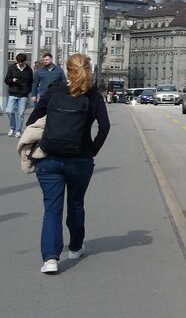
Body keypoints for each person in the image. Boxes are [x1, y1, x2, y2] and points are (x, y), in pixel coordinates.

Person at [28, 53, 110, 275]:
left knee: (51, 209)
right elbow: (105, 127)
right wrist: (91, 150)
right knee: (75, 204)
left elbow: (32, 121)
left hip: (49, 158)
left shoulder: (53, 91)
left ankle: (50, 259)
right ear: (89, 70)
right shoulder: (93, 96)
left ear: (67, 70)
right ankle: (75, 247)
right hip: (80, 159)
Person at [4, 52, 33, 137]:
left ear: (25, 61)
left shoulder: (29, 70)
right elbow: (6, 80)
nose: (20, 63)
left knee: (20, 114)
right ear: (17, 61)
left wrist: (28, 91)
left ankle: (18, 130)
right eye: (19, 62)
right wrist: (12, 80)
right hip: (13, 93)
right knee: (9, 111)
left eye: (22, 62)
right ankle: (12, 127)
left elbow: (31, 81)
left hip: (23, 94)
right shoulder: (12, 68)